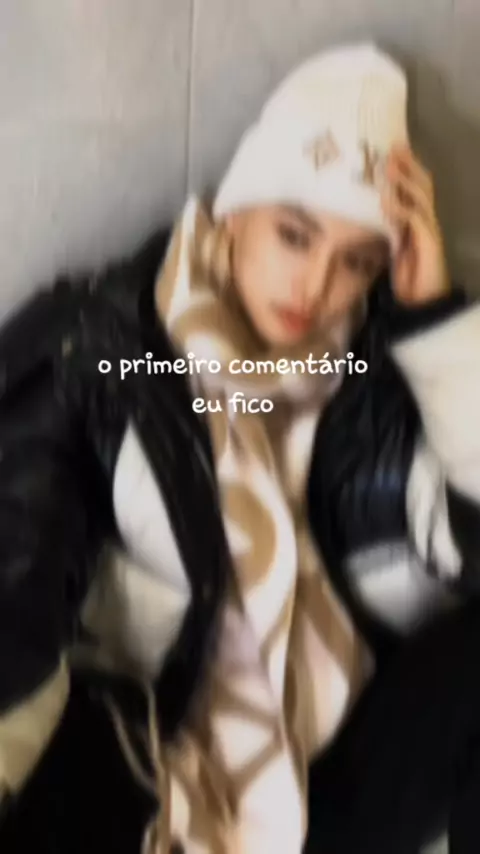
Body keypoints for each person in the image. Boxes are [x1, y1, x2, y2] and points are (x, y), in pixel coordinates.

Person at [1, 41, 480, 854]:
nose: (315, 287)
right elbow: (18, 563)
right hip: (154, 763)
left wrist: (430, 315)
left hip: (323, 776)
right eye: (294, 235)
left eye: (355, 262)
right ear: (234, 211)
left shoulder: (372, 377)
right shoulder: (105, 353)